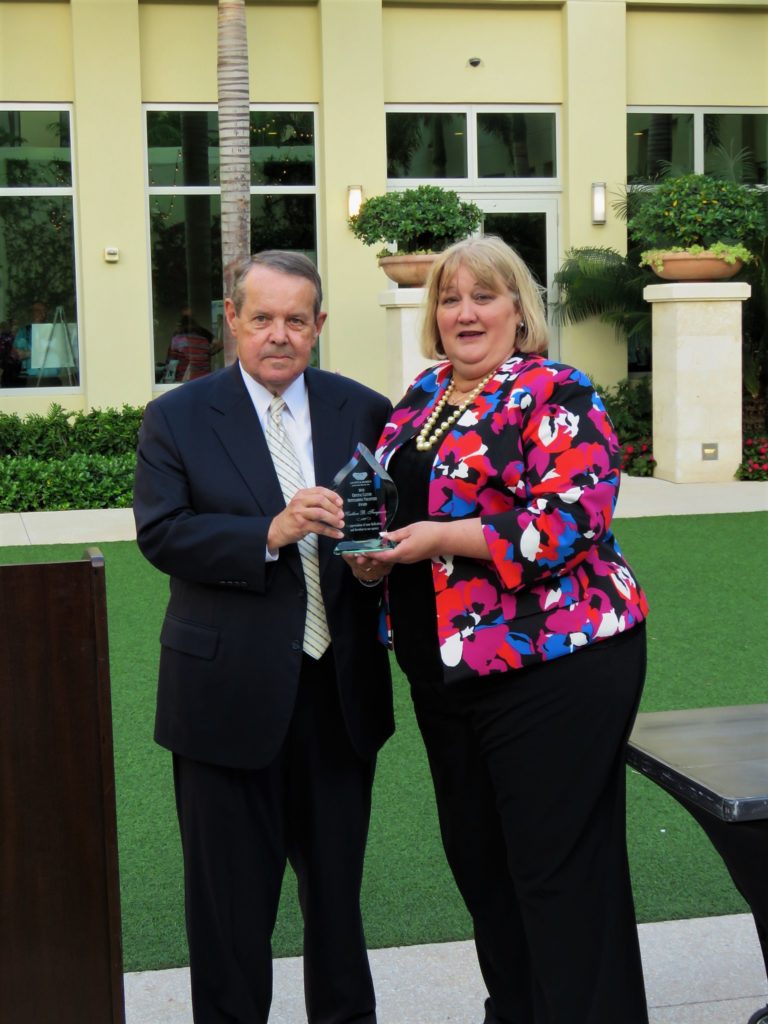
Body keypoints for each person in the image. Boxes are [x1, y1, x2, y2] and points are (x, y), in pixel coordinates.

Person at [348, 236, 651, 1023]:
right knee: (484, 869)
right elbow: (396, 507)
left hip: (554, 665)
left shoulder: (559, 390)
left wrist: (440, 540)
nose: (465, 312)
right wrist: (377, 558)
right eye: (451, 299)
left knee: (556, 874)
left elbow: (570, 521)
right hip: (445, 673)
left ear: (520, 309)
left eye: (484, 296)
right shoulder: (422, 396)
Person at [133, 250, 394, 1024]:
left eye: (295, 320)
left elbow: (388, 529)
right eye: (262, 319)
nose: (278, 335)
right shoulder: (177, 415)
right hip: (222, 701)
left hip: (338, 699)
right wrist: (270, 532)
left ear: (318, 327)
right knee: (227, 918)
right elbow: (163, 533)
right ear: (233, 322)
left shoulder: (367, 410)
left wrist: (379, 571)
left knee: (338, 913)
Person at [166, 306, 220, 382]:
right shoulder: (204, 340)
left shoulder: (177, 339)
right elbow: (218, 343)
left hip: (186, 383)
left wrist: (167, 381)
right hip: (206, 381)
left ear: (181, 325)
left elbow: (171, 365)